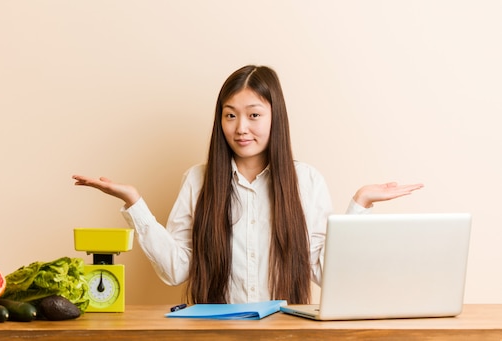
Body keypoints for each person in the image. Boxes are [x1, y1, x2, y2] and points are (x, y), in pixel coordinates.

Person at [73, 65, 423, 305]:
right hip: (217, 334)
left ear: (275, 117)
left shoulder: (307, 182)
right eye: (230, 115)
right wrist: (135, 203)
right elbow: (175, 270)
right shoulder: (198, 180)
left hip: (287, 335)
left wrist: (360, 204)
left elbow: (323, 274)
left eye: (254, 114)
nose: (241, 127)